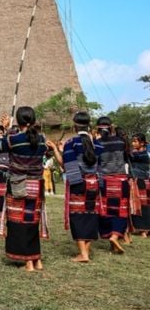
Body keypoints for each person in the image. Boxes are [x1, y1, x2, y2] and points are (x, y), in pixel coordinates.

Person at [0, 107, 48, 271]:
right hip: (37, 185)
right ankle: (37, 259)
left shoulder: (15, 139)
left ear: (19, 121)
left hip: (18, 185)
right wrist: (8, 130)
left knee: (18, 222)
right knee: (32, 221)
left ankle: (28, 261)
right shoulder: (42, 139)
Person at [52, 111, 102, 262]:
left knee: (77, 216)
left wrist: (55, 150)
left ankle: (83, 254)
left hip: (78, 183)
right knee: (91, 215)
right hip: (94, 183)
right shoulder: (97, 144)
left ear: (74, 125)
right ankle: (86, 250)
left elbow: (65, 165)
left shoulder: (71, 143)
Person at [94, 117, 130, 253]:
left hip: (105, 181)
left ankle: (111, 237)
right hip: (121, 180)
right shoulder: (121, 142)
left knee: (106, 211)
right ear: (111, 127)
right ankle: (115, 237)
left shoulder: (97, 143)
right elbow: (127, 160)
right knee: (120, 211)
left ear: (98, 128)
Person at [130, 133, 150, 237]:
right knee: (137, 204)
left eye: (135, 141)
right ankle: (140, 229)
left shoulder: (143, 154)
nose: (133, 143)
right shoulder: (135, 152)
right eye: (132, 141)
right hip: (137, 180)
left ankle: (144, 230)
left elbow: (134, 157)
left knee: (143, 205)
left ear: (142, 143)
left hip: (142, 181)